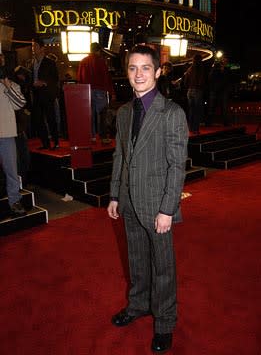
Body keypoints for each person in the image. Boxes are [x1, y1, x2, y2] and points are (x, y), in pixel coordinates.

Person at [107, 45, 188, 353]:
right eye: (132, 68)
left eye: (144, 68)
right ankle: (138, 304)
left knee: (163, 267)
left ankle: (165, 321)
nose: (138, 74)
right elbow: (120, 155)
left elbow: (176, 165)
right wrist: (115, 193)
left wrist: (168, 209)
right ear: (127, 72)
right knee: (137, 260)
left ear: (157, 72)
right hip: (128, 199)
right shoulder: (125, 112)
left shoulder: (172, 113)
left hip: (157, 204)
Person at [0, 54, 27, 217]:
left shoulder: (12, 85)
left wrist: (7, 84)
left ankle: (14, 200)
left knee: (11, 170)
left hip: (7, 134)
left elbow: (20, 104)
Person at [77, 42, 114, 144]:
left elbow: (79, 77)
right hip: (99, 91)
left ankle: (92, 136)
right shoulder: (101, 61)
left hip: (86, 91)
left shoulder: (83, 61)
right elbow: (106, 77)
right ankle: (103, 137)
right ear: (98, 50)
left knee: (90, 115)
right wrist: (111, 92)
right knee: (102, 114)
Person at [31, 37, 60, 150]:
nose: (33, 49)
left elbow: (55, 78)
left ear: (42, 48)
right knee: (38, 120)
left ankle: (56, 142)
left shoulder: (49, 62)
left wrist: (44, 83)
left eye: (36, 46)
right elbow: (31, 78)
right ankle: (45, 143)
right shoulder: (32, 63)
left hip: (47, 95)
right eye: (33, 46)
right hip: (37, 94)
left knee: (50, 118)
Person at [183, 53, 206, 134]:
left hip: (189, 91)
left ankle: (191, 128)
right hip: (197, 90)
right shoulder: (201, 68)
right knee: (197, 110)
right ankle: (195, 129)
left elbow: (185, 81)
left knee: (191, 110)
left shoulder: (190, 69)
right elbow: (202, 80)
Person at [205, 58, 232, 126]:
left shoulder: (223, 70)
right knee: (216, 107)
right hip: (218, 90)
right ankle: (210, 122)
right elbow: (211, 78)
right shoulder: (218, 70)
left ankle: (210, 122)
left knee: (216, 107)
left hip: (218, 90)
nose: (224, 63)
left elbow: (211, 78)